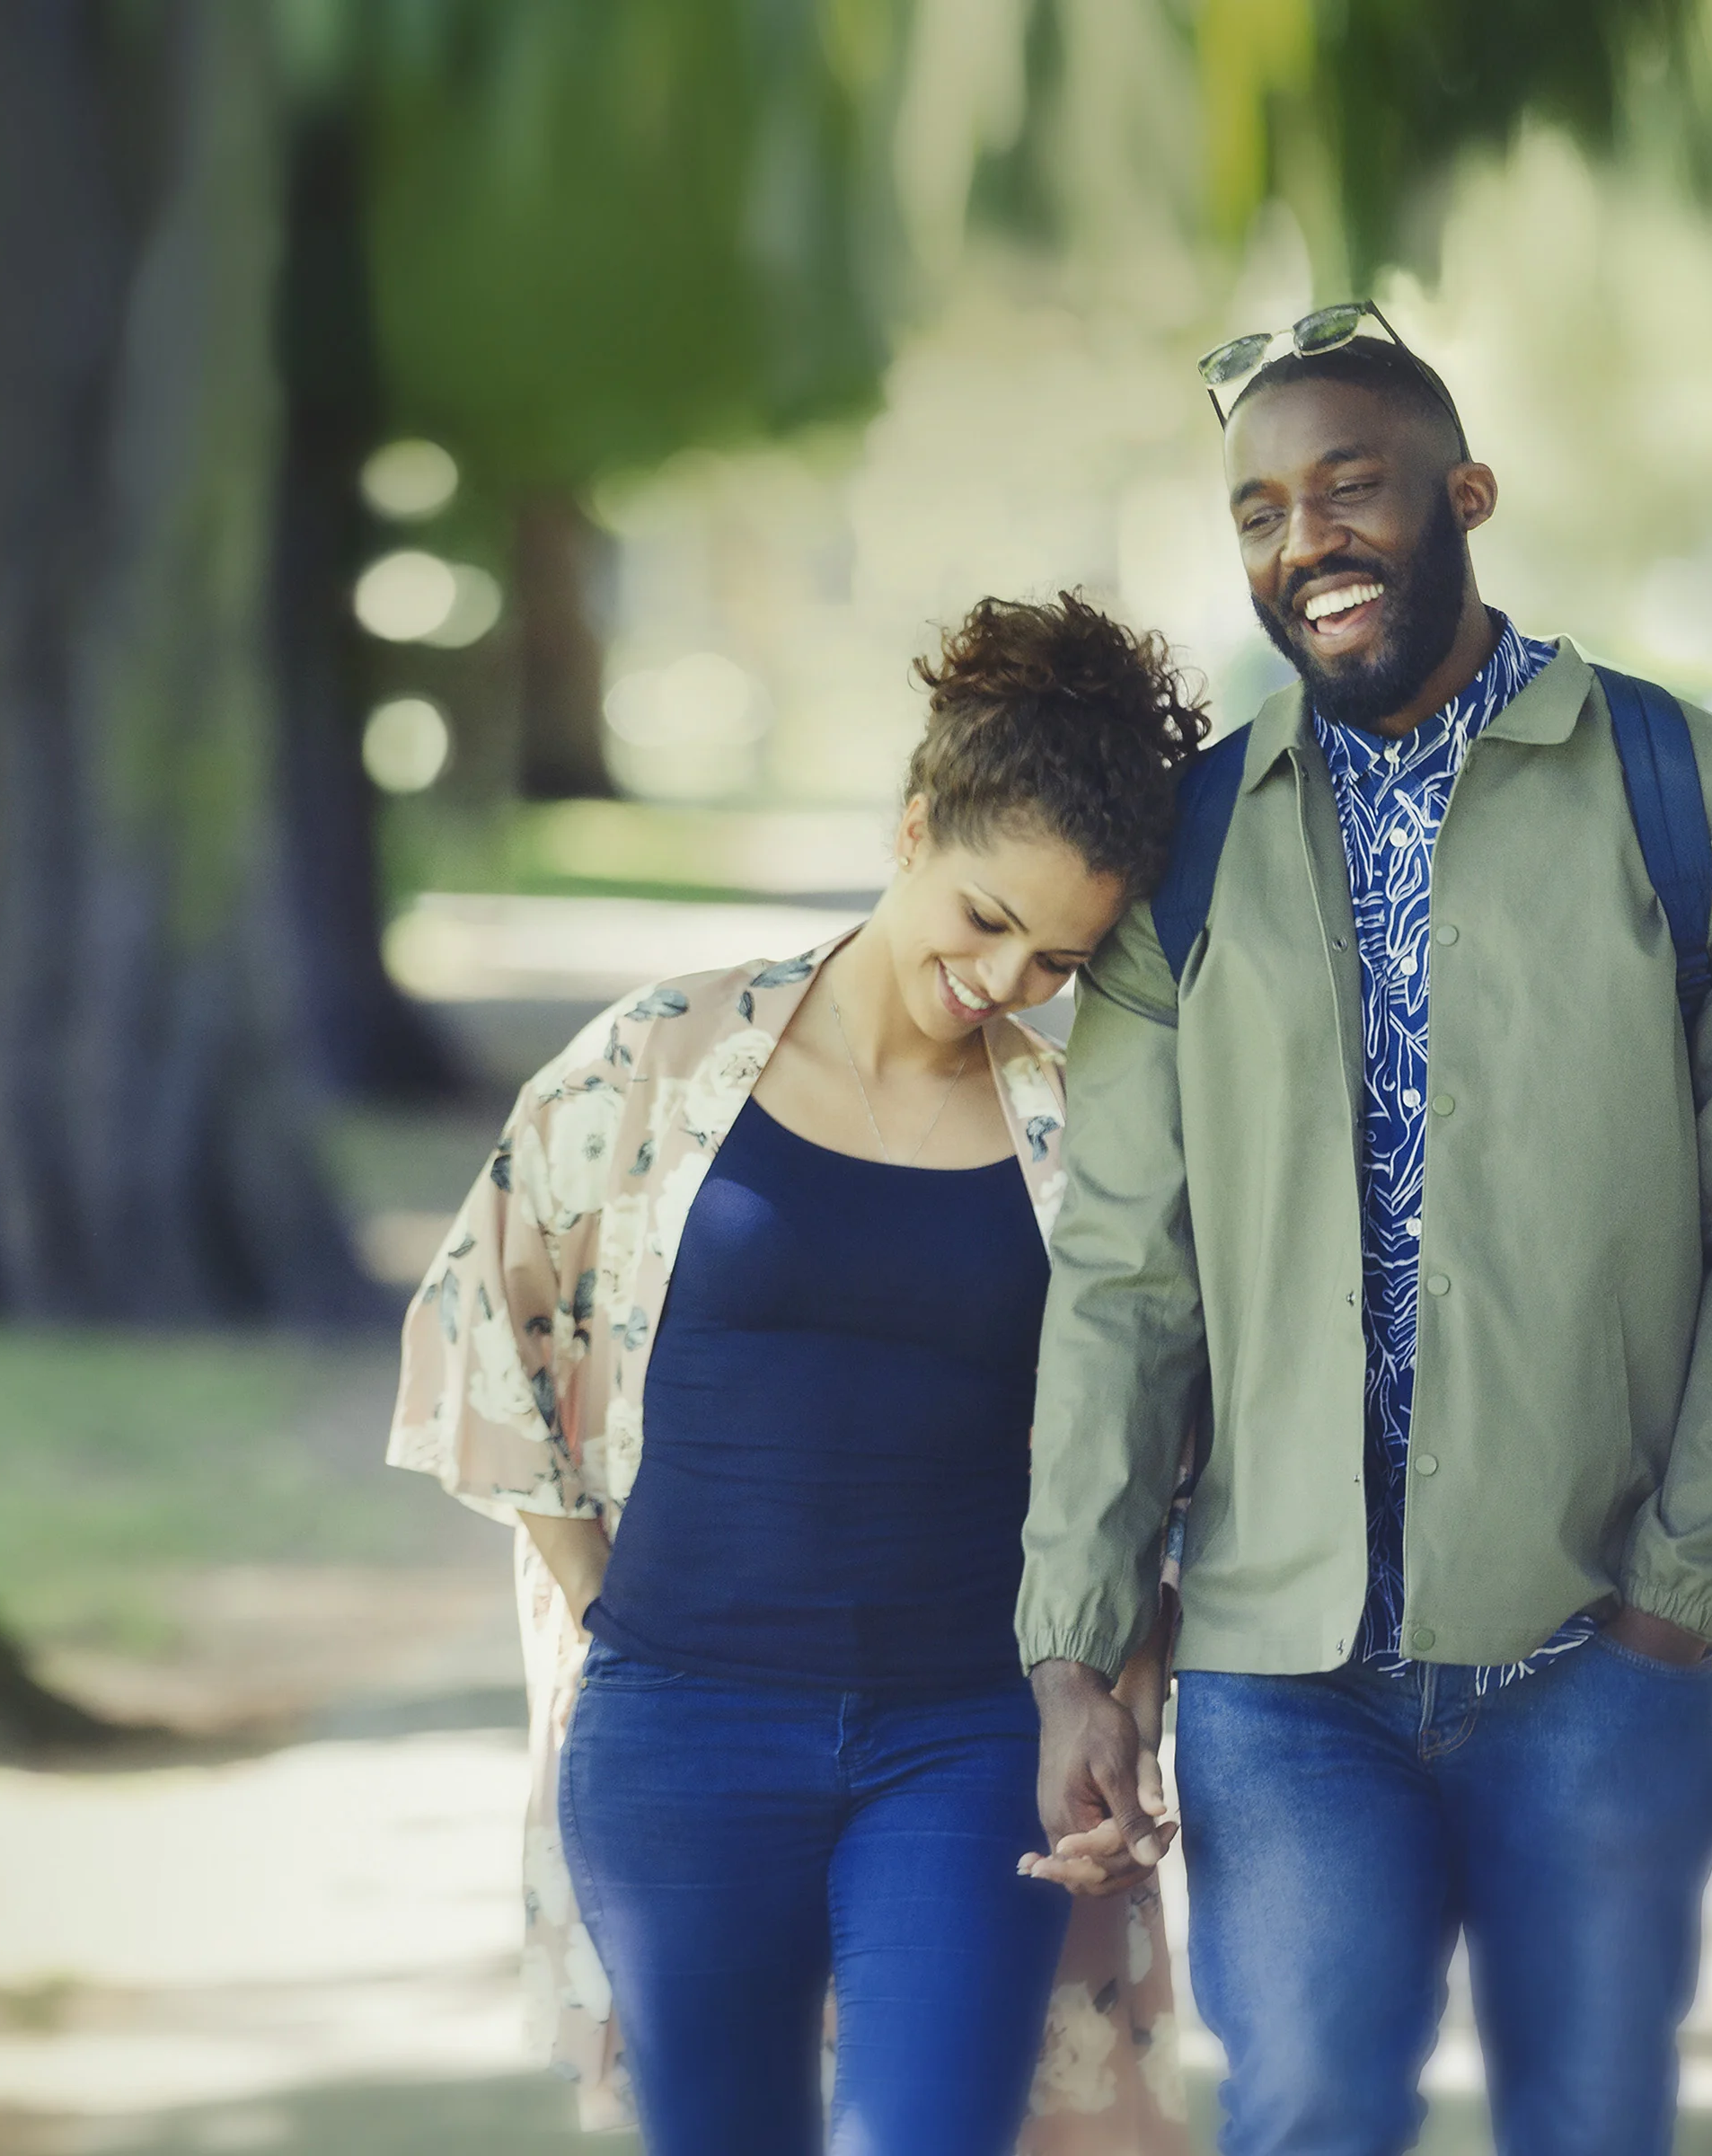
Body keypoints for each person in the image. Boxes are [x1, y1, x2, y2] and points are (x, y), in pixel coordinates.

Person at [1018, 305, 1712, 2155]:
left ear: (1466, 496)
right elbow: (1124, 1275)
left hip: (1596, 1653)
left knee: (1588, 2127)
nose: (1306, 542)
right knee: (1309, 2118)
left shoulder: (1704, 800)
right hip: (1282, 1678)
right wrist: (1076, 1648)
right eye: (1260, 512)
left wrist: (1674, 1607)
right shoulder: (1187, 848)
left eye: (1352, 489)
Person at [390, 594, 1202, 2156]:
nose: (1006, 978)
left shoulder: (1089, 1136)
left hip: (973, 1742)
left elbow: (1156, 1440)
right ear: (913, 830)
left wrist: (1124, 1690)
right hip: (682, 1736)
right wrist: (602, 1602)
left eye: (1058, 958)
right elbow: (485, 1315)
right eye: (984, 919)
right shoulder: (660, 1062)